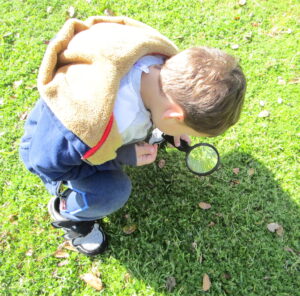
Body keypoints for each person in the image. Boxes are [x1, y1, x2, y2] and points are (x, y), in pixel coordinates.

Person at [19, 16, 246, 256]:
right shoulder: (85, 126)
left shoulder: (157, 61)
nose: (183, 135)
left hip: (109, 125)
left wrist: (167, 131)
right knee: (113, 191)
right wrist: (119, 156)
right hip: (54, 152)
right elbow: (43, 164)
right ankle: (69, 212)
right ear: (174, 115)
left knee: (152, 127)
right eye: (185, 130)